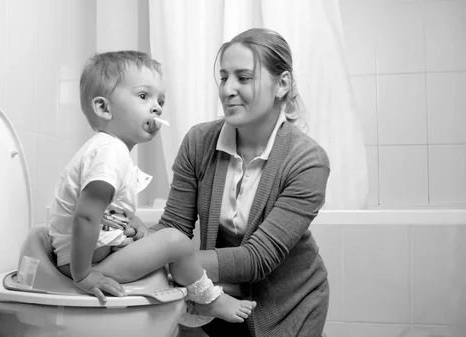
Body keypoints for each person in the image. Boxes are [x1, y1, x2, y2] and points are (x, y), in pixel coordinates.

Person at [46, 50, 257, 325]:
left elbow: (103, 209)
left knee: (163, 246)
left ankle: (196, 296)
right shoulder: (109, 153)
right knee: (176, 242)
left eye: (160, 100)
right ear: (104, 108)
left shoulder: (109, 150)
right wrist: (83, 275)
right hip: (83, 264)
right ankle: (209, 300)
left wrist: (130, 221)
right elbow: (85, 216)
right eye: (144, 96)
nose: (156, 107)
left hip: (90, 257)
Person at [149, 28, 331, 337]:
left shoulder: (307, 160)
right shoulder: (199, 141)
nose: (227, 90)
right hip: (216, 300)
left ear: (282, 85)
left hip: (288, 308)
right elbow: (174, 227)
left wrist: (173, 260)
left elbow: (257, 259)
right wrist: (122, 245)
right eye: (223, 77)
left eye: (243, 78)